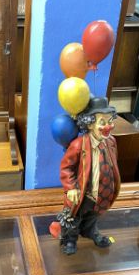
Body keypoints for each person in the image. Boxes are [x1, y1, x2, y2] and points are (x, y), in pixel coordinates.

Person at [58, 96, 121, 255]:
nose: (108, 126)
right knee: (74, 218)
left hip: (101, 194)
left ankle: (90, 232)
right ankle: (70, 239)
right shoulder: (79, 145)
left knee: (93, 216)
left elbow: (112, 163)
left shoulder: (111, 142)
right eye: (102, 122)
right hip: (83, 194)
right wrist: (71, 187)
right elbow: (66, 167)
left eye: (110, 121)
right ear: (90, 123)